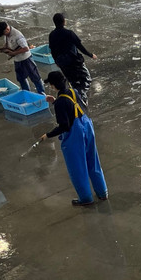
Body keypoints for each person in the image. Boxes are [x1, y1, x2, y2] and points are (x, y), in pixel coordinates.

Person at [38, 71, 107, 206]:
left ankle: (86, 198)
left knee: (78, 168)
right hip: (87, 127)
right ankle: (102, 192)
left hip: (75, 135)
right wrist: (55, 101)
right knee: (93, 162)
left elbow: (64, 126)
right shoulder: (73, 91)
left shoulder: (60, 103)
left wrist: (48, 135)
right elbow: (72, 106)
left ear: (53, 86)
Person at [48, 13, 97, 105]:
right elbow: (80, 47)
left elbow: (52, 50)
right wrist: (90, 55)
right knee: (86, 79)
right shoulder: (69, 33)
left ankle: (76, 98)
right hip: (74, 62)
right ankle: (80, 97)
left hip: (62, 63)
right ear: (63, 21)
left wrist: (56, 61)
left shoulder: (52, 35)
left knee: (73, 82)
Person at [0, 21, 43, 93]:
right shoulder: (7, 35)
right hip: (17, 60)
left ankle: (41, 93)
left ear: (7, 30)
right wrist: (4, 48)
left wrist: (14, 53)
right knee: (21, 78)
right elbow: (7, 43)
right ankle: (26, 93)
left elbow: (26, 48)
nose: (3, 35)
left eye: (3, 33)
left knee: (34, 77)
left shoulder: (17, 35)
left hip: (26, 59)